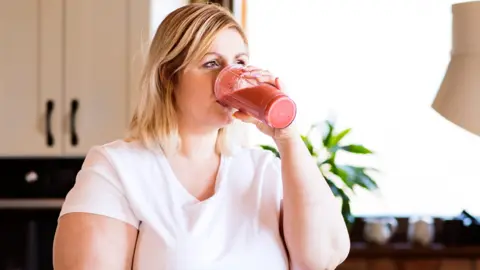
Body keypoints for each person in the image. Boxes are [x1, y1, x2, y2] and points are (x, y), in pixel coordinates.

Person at [52, 3, 350, 270]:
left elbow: (321, 259)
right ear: (169, 77)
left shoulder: (264, 171)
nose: (230, 76)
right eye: (211, 63)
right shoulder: (117, 169)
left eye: (240, 63)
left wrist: (287, 138)